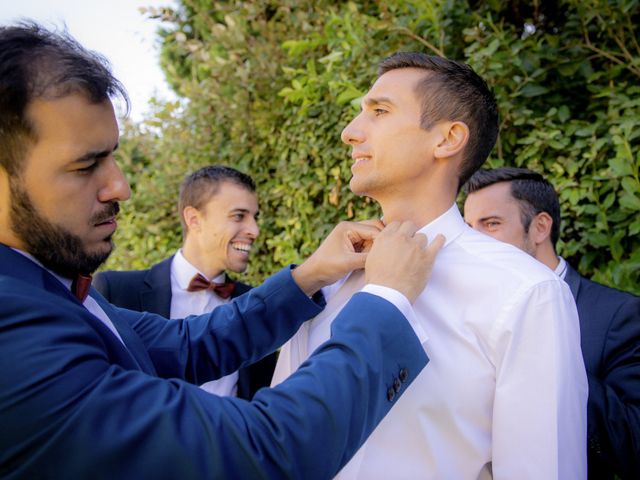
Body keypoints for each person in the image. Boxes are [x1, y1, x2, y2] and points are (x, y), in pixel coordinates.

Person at [0, 23, 446, 479]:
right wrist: (386, 301)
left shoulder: (50, 288)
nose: (121, 186)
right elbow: (267, 449)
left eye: (113, 156)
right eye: (85, 165)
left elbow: (191, 345)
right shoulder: (12, 327)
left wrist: (307, 276)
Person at [272, 52, 588, 479]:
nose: (350, 133)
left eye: (379, 111)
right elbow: (279, 439)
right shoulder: (324, 277)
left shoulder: (525, 292)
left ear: (447, 139)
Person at [463, 166, 640, 480]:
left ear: (540, 227)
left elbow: (632, 444)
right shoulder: (462, 313)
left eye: (491, 224)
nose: (472, 242)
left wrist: (554, 359)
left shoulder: (618, 315)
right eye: (467, 228)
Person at [95, 165, 277, 399]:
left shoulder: (258, 306)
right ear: (194, 219)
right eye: (239, 216)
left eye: (255, 217)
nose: (254, 230)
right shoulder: (116, 291)